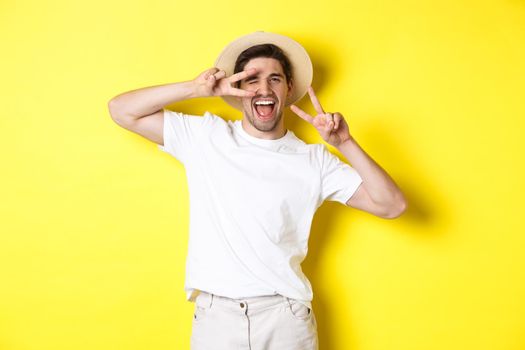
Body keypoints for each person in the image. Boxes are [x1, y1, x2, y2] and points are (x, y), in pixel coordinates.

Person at [108, 31, 407, 350]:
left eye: (275, 79)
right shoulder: (206, 137)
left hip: (285, 319)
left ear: (289, 88)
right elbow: (122, 110)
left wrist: (344, 143)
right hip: (216, 320)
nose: (264, 88)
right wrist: (196, 88)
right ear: (238, 89)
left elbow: (392, 205)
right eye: (251, 79)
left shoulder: (313, 160)